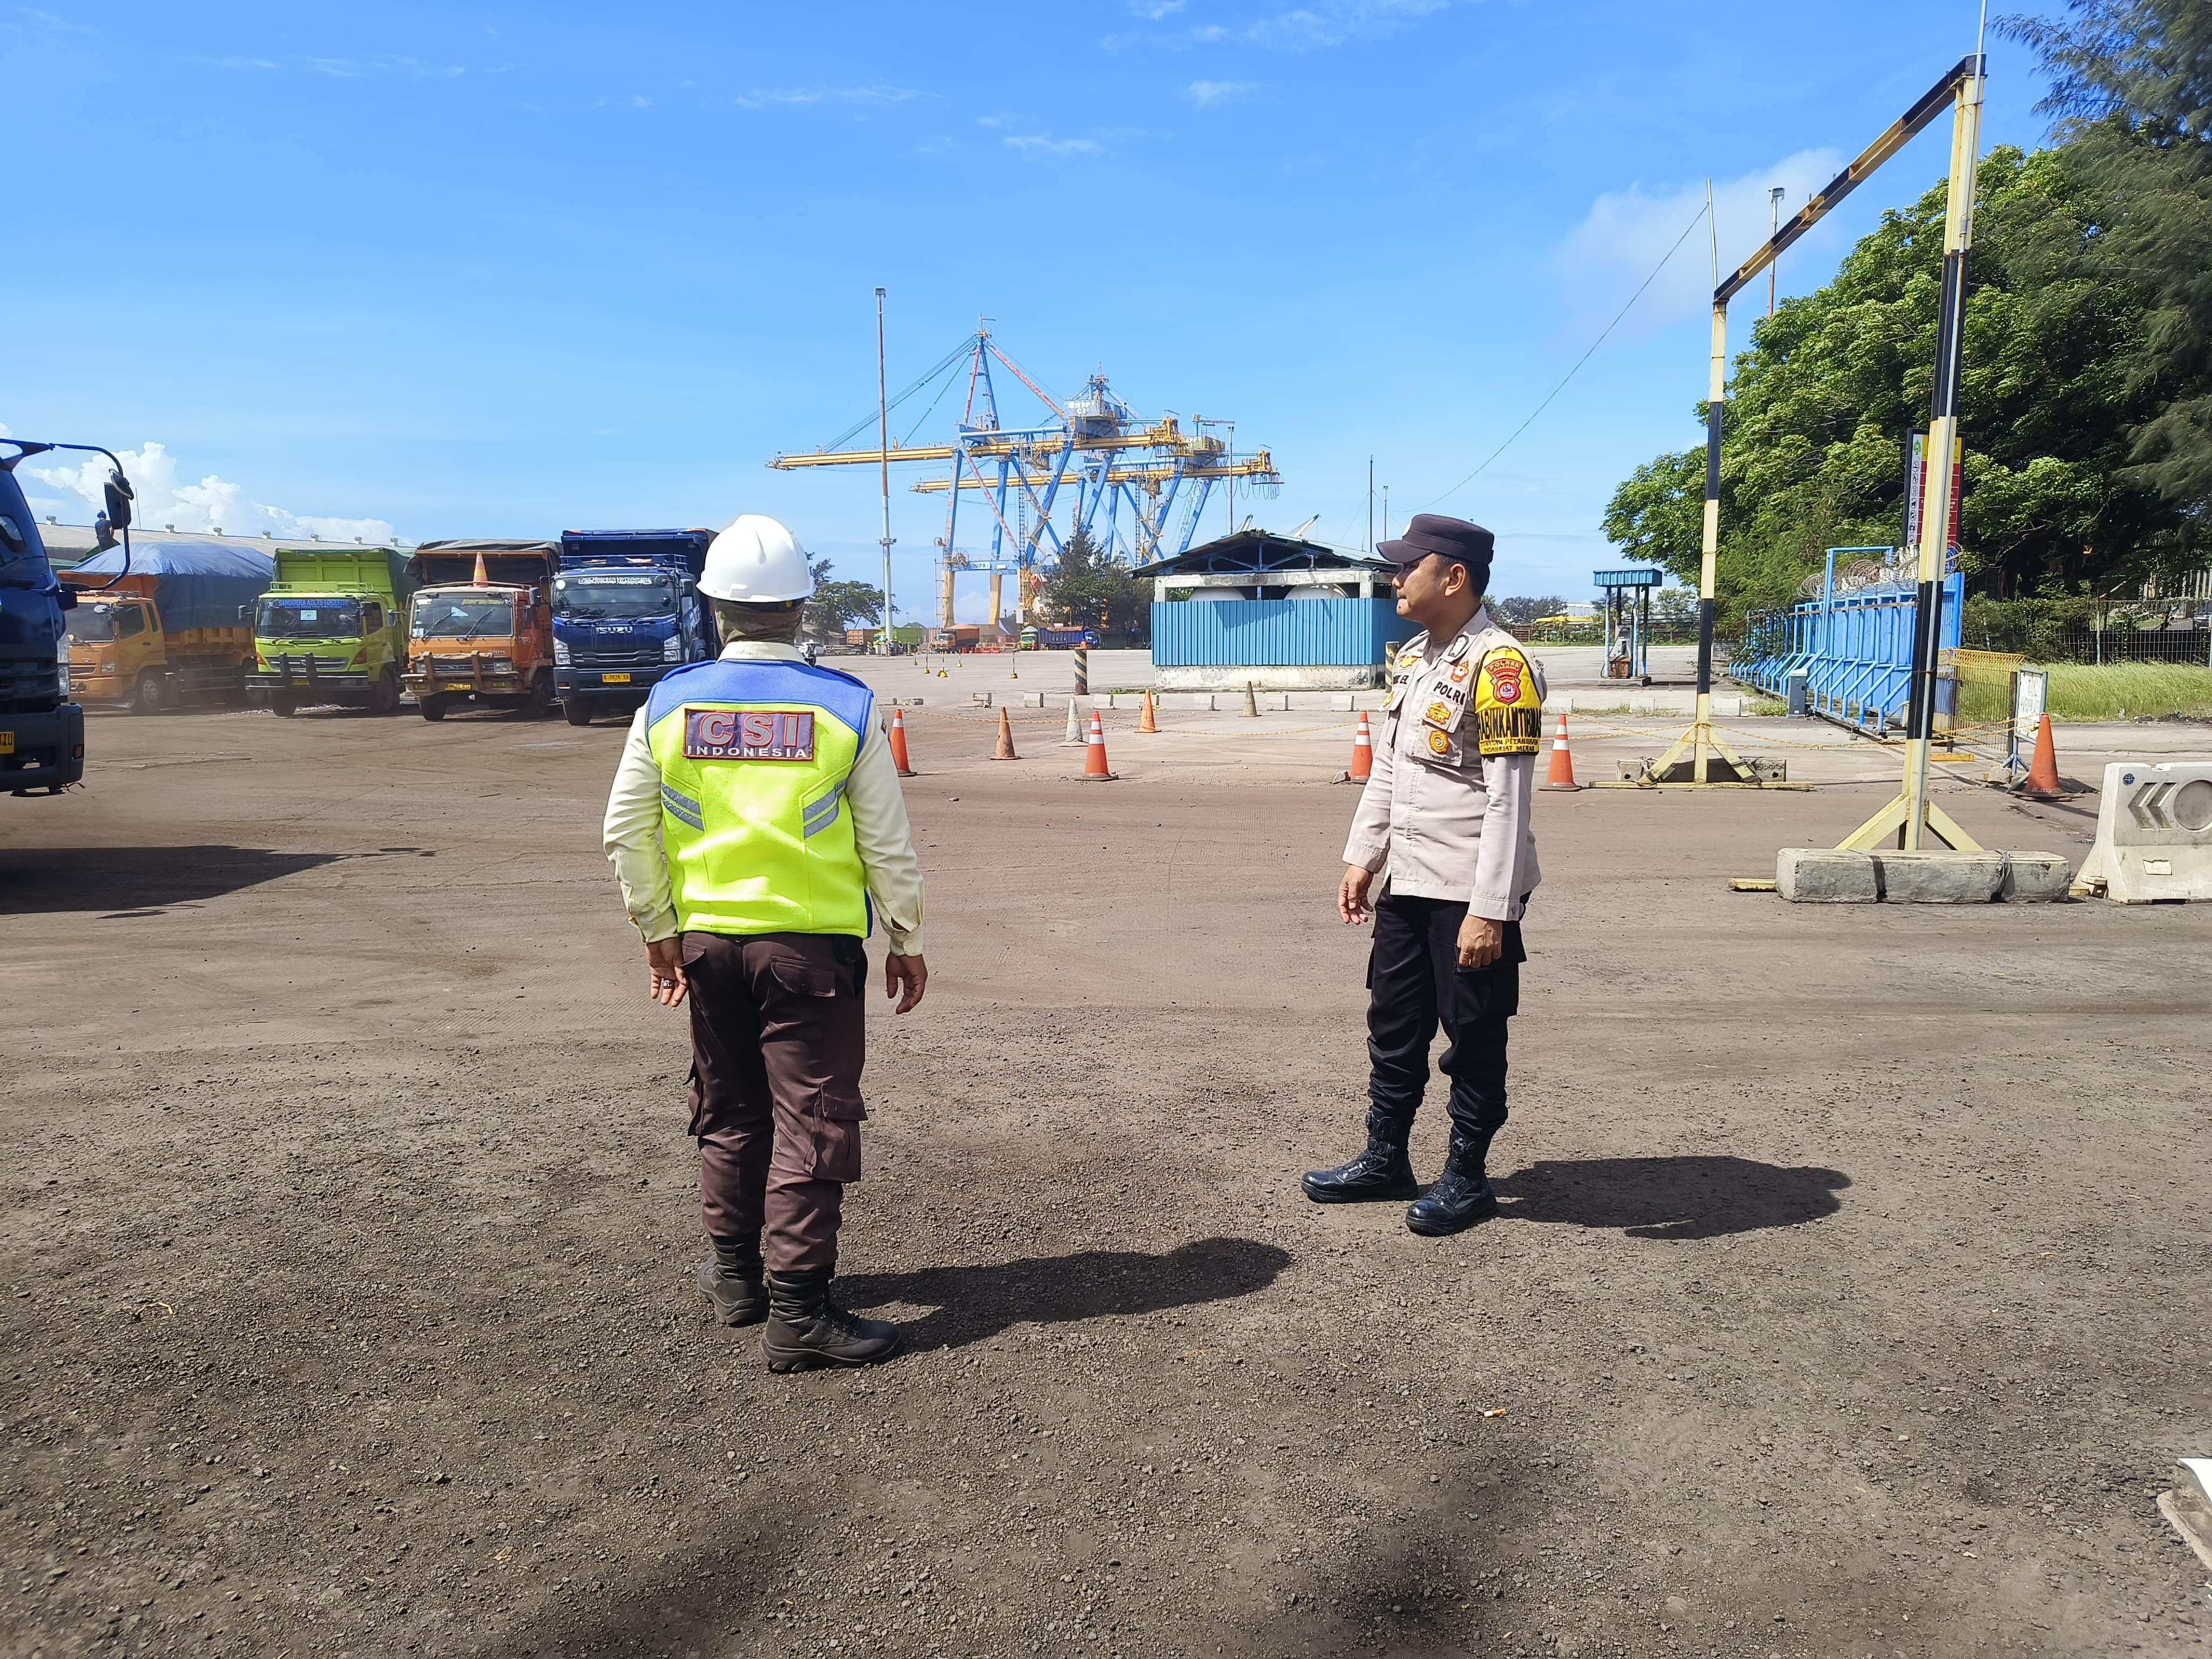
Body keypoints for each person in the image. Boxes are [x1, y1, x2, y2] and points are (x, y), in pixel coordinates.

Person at [602, 515, 927, 1371]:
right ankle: (799, 1316)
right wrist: (906, 935)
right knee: (810, 1119)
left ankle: (738, 1280)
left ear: (714, 608)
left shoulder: (667, 704)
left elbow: (625, 831)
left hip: (708, 947)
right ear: (799, 609)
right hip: (809, 954)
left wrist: (657, 928)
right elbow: (886, 843)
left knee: (730, 1111)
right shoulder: (845, 705)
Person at [1302, 513, 1543, 1236]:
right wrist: (1363, 856)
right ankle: (1387, 1159)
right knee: (1394, 1023)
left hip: (1467, 888)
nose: (1396, 578)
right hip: (1407, 880)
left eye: (1410, 567)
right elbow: (1388, 770)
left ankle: (1467, 1178)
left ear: (1455, 577)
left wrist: (1490, 909)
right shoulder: (1414, 658)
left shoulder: (1502, 667)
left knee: (1474, 1033)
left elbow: (1508, 801)